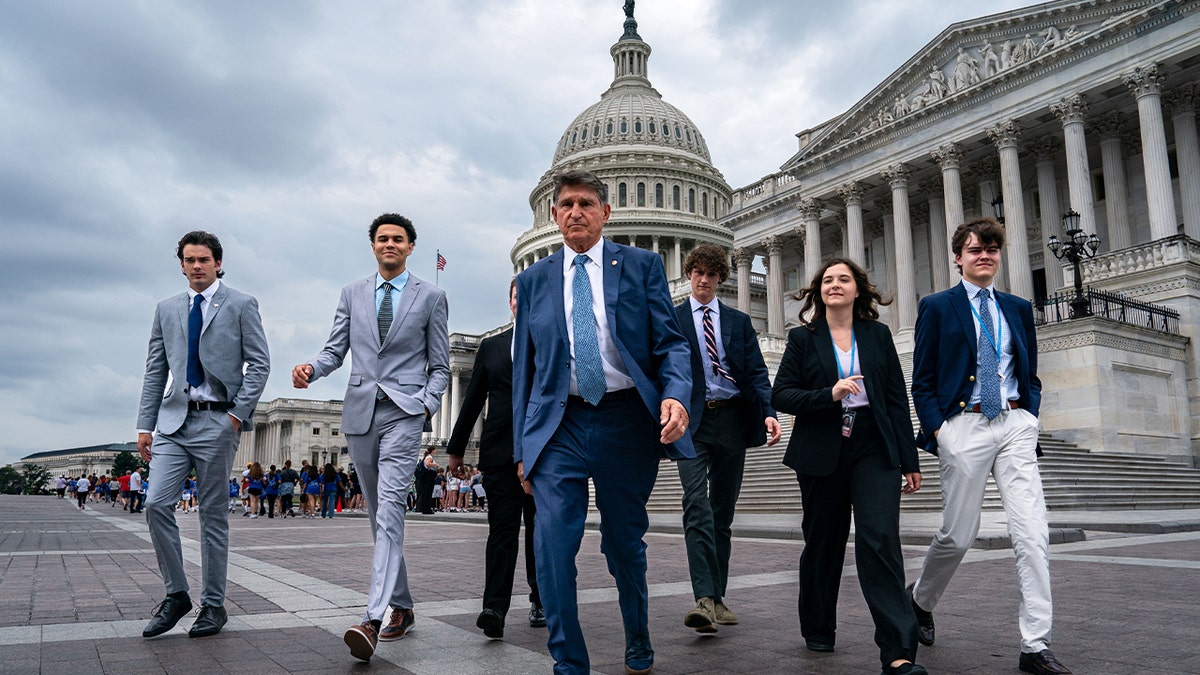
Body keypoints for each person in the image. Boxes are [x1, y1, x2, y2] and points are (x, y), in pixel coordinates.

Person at [513, 170, 693, 675]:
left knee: (624, 543)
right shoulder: (533, 280)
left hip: (624, 419)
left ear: (605, 213)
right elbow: (525, 369)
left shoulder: (641, 265)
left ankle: (637, 632)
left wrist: (675, 395)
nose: (576, 212)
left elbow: (671, 344)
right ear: (554, 215)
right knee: (551, 545)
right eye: (567, 204)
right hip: (559, 424)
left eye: (586, 203)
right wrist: (522, 450)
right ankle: (569, 662)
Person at [908, 218, 1069, 675]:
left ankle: (1035, 644)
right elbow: (922, 380)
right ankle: (920, 600)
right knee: (959, 534)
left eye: (991, 249)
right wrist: (941, 432)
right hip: (965, 426)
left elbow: (1029, 371)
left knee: (1032, 532)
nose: (984, 256)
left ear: (999, 255)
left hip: (1014, 422)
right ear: (958, 257)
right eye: (975, 249)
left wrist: (1029, 416)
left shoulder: (1017, 307)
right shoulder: (937, 306)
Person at [293, 212, 449, 661]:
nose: (390, 244)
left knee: (392, 510)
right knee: (378, 514)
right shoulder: (352, 293)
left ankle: (372, 618)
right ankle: (403, 604)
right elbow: (335, 349)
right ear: (373, 246)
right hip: (361, 411)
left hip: (404, 412)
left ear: (410, 247)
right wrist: (312, 369)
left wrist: (424, 404)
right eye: (382, 238)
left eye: (398, 239)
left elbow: (440, 366)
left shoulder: (431, 296)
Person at [771, 258, 926, 675]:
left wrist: (909, 458)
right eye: (827, 280)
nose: (834, 285)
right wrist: (829, 394)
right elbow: (781, 394)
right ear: (818, 291)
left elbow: (896, 398)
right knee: (823, 541)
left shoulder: (877, 335)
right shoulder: (802, 338)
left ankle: (898, 650)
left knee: (880, 540)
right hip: (821, 447)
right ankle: (819, 626)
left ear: (858, 289)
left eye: (843, 279)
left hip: (874, 443)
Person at [135, 230, 270, 639]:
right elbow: (155, 369)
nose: (197, 266)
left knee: (212, 516)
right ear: (181, 265)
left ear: (218, 263)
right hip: (174, 422)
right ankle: (177, 594)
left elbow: (260, 364)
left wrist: (236, 416)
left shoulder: (242, 304)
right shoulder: (166, 309)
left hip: (217, 420)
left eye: (204, 260)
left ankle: (213, 605)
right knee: (155, 504)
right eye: (190, 260)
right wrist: (145, 424)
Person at [673, 244, 781, 634]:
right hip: (692, 422)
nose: (703, 280)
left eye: (711, 274)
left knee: (722, 512)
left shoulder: (738, 321)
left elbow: (756, 371)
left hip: (732, 418)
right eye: (698, 273)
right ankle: (703, 598)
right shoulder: (673, 319)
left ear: (721, 278)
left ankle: (717, 598)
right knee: (695, 504)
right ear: (689, 274)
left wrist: (768, 412)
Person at [447, 279, 544, 640]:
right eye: (517, 297)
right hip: (500, 452)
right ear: (510, 303)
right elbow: (473, 398)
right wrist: (456, 448)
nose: (522, 302)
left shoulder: (551, 340)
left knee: (539, 532)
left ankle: (540, 598)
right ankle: (494, 607)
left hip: (542, 451)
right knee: (501, 531)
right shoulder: (492, 347)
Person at [415, 447, 438, 514]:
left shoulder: (426, 457)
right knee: (428, 493)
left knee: (425, 493)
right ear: (432, 451)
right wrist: (435, 464)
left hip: (425, 477)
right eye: (435, 450)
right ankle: (427, 508)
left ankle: (423, 507)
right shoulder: (429, 457)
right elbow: (428, 464)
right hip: (429, 477)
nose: (435, 451)